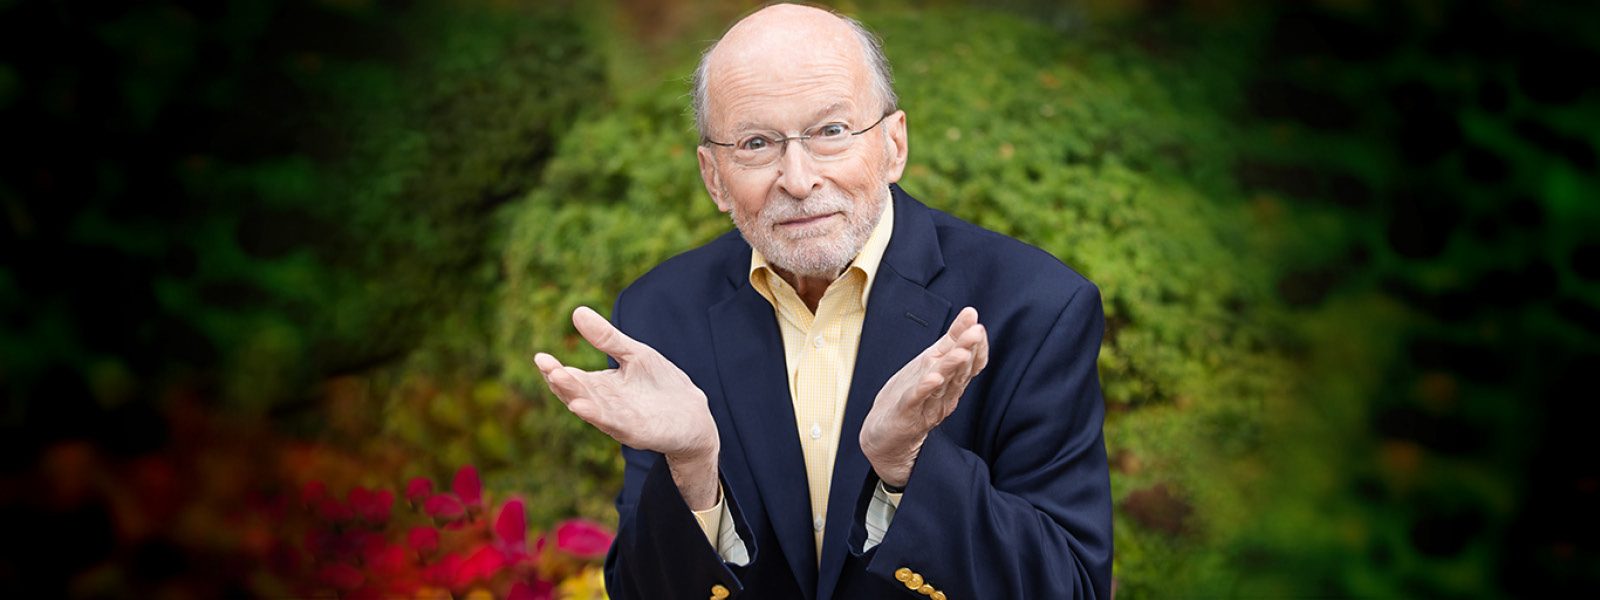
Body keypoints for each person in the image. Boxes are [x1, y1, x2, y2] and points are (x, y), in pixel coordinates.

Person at [533, 4, 1112, 598]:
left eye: (831, 132)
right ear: (714, 177)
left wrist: (909, 468)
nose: (798, 179)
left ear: (893, 144)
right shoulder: (658, 315)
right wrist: (692, 469)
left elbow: (1070, 584)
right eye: (756, 143)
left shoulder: (1036, 307)